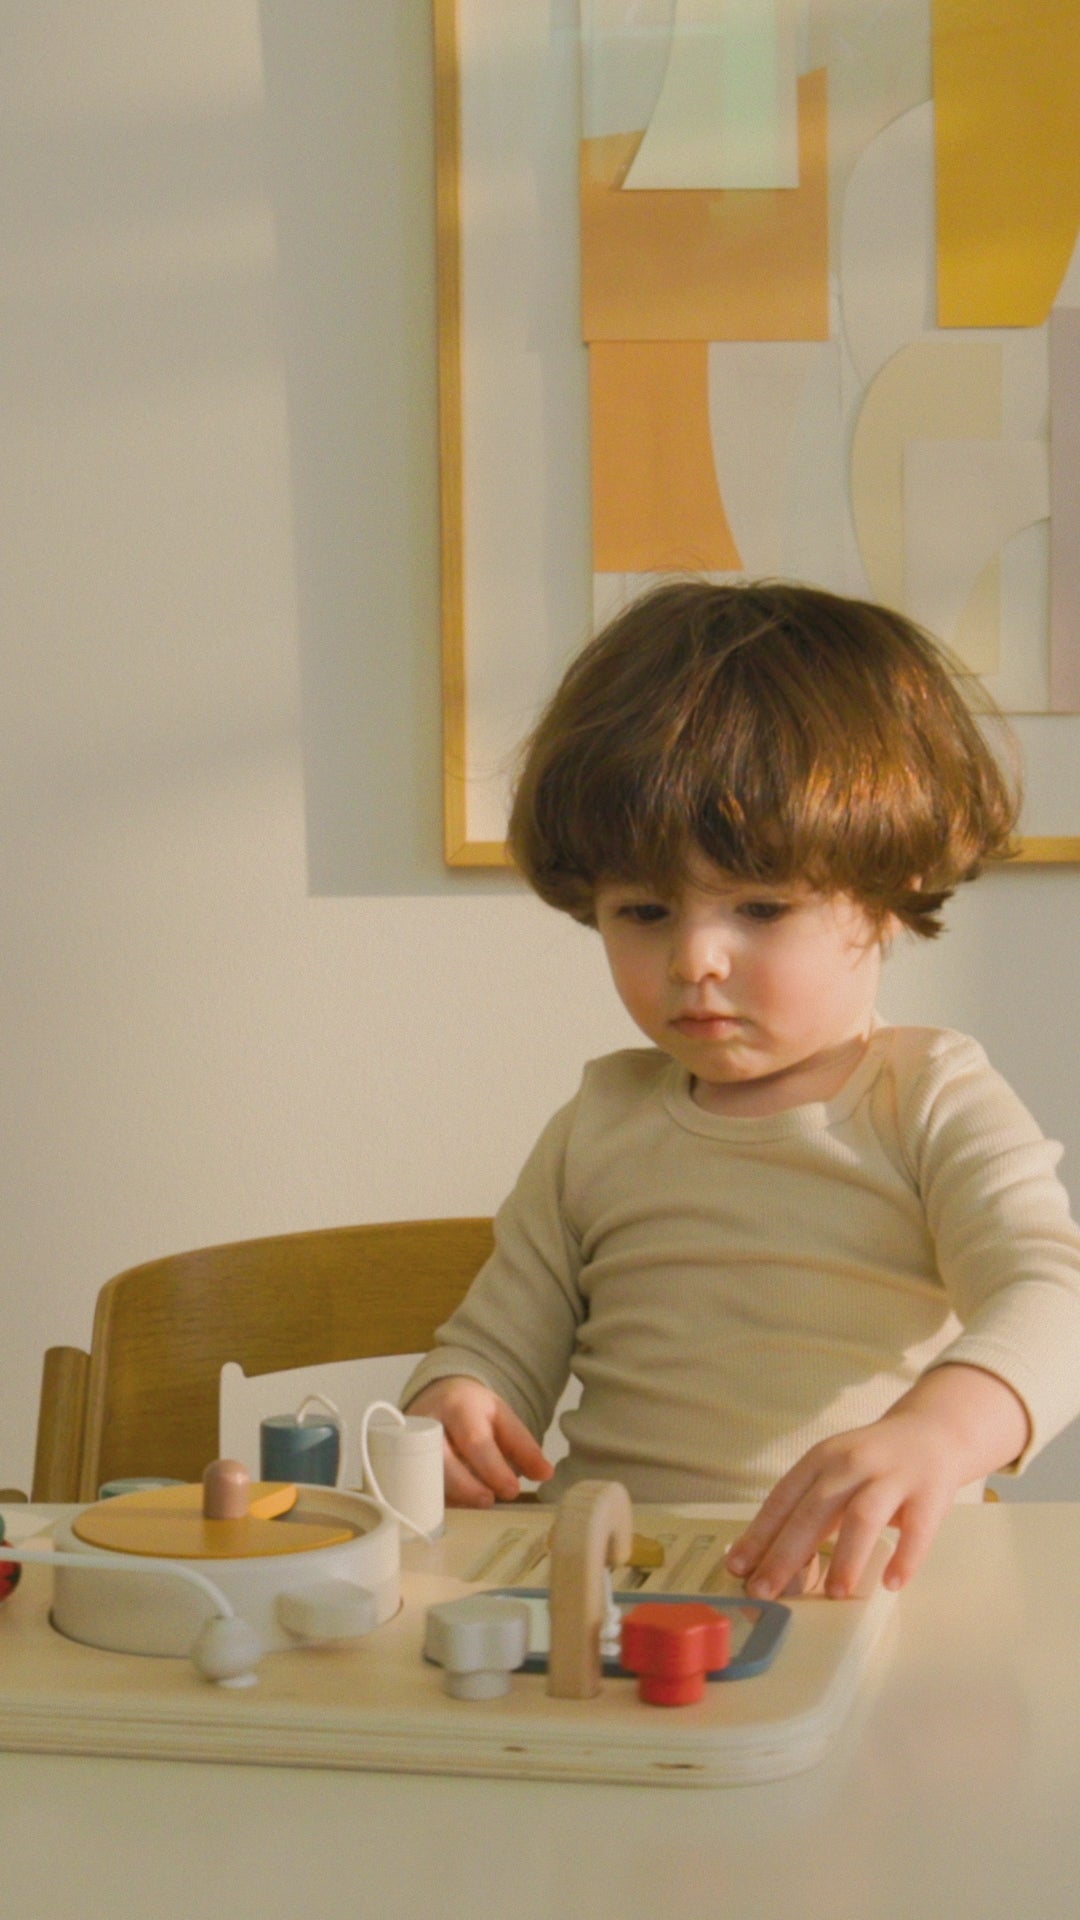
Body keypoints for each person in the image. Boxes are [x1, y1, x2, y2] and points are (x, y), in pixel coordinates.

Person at [403, 580, 1080, 1599]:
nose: (695, 960)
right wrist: (455, 1403)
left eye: (761, 908)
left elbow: (1053, 1297)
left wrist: (939, 1433)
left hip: (855, 1582)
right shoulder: (599, 1122)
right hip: (614, 1585)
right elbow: (496, 1346)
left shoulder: (927, 1096)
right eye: (644, 911)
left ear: (890, 895)